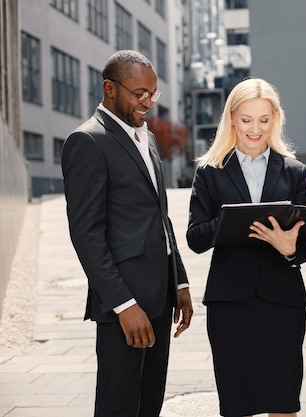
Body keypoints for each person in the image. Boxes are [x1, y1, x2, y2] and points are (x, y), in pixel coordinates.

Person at [61, 50, 193, 417]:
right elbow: (87, 233)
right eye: (139, 93)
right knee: (118, 408)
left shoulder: (147, 138)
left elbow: (160, 217)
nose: (148, 102)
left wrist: (178, 282)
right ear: (110, 88)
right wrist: (123, 304)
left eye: (153, 94)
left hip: (159, 297)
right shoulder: (86, 141)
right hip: (125, 306)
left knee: (149, 405)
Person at [186, 78, 306, 417]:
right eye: (246, 120)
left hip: (282, 301)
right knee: (236, 404)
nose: (255, 129)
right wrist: (231, 221)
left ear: (275, 119)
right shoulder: (210, 172)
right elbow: (195, 238)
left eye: (263, 119)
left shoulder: (293, 172)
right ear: (232, 118)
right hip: (230, 303)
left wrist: (289, 248)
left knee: (284, 401)